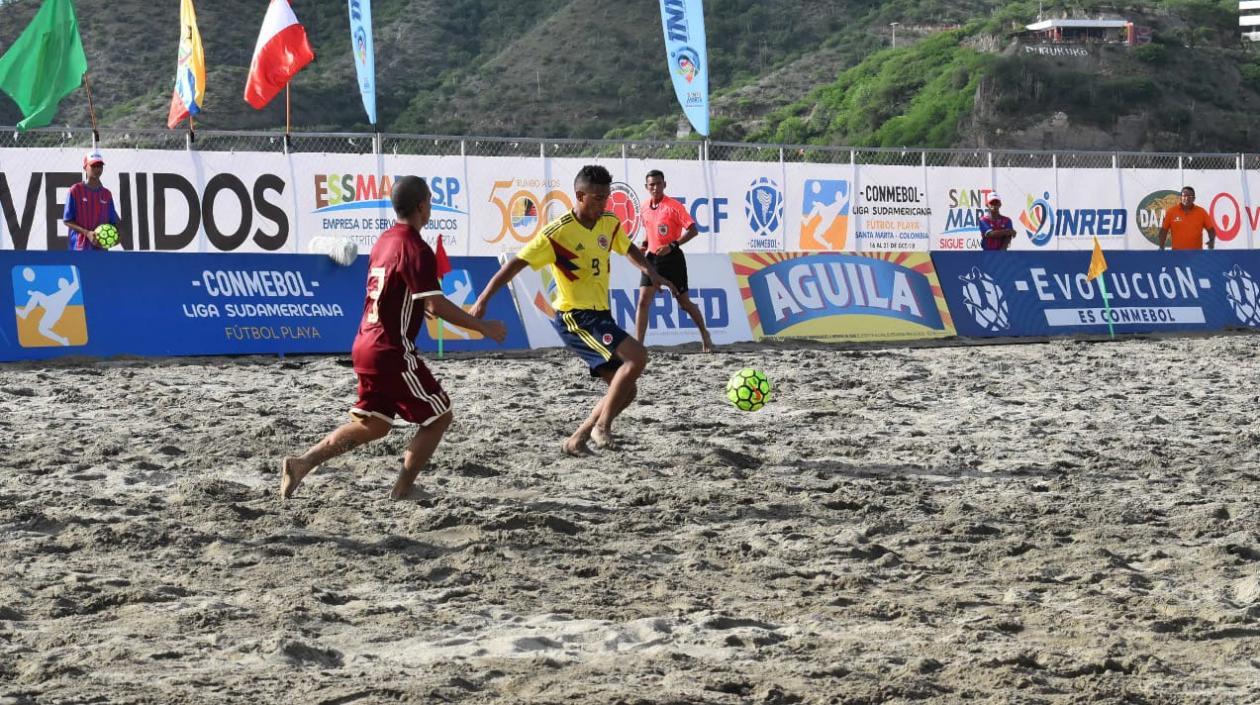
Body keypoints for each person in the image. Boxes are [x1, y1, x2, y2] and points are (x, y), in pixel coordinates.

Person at [281, 176, 508, 501]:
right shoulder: (415, 247)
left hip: (364, 345)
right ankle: (403, 489)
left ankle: (302, 463)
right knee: (440, 416)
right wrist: (481, 327)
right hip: (391, 351)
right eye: (429, 201)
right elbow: (435, 302)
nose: (430, 207)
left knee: (374, 426)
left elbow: (401, 294)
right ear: (421, 206)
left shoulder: (384, 241)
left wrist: (420, 306)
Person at [470, 164, 674, 456]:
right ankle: (602, 428)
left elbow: (627, 247)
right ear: (579, 195)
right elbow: (516, 263)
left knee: (627, 390)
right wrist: (483, 299)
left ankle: (576, 439)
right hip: (575, 317)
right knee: (638, 357)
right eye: (596, 198)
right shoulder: (558, 232)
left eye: (606, 197)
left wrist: (649, 271)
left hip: (600, 315)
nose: (602, 203)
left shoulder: (607, 222)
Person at [633, 169, 714, 353]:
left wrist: (673, 245)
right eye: (651, 184)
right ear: (646, 187)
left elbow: (693, 230)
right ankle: (638, 346)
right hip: (652, 259)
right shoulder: (644, 207)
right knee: (643, 301)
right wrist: (645, 244)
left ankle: (705, 335)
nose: (655, 187)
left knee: (684, 302)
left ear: (664, 185)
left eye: (658, 183)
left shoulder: (674, 206)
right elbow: (649, 229)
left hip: (672, 259)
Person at [63, 151, 120, 251]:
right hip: (78, 248)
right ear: (85, 167)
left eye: (100, 166)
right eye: (93, 166)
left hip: (100, 250)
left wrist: (113, 238)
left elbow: (114, 222)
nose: (97, 169)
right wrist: (87, 233)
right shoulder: (75, 190)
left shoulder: (107, 194)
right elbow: (67, 220)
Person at [1159, 186, 1216, 251]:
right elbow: (1164, 230)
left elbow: (1211, 229)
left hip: (1196, 254)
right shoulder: (1171, 212)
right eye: (1184, 196)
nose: (1187, 198)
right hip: (1176, 253)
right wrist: (1161, 247)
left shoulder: (1202, 212)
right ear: (1180, 198)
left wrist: (1212, 241)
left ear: (1194, 198)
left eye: (1190, 196)